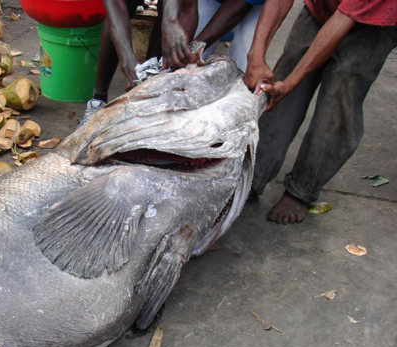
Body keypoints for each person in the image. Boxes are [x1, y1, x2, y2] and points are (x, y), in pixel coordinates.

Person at [245, 0, 397, 223]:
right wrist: (255, 55)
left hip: (375, 24)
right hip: (322, 7)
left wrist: (291, 83)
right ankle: (251, 175)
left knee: (339, 99)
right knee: (282, 79)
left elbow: (344, 18)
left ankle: (301, 188)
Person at [80, 0, 265, 125]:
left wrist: (193, 45)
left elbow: (188, 7)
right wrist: (127, 62)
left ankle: (228, 130)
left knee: (242, 58)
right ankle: (97, 100)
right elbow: (116, 4)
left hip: (247, 4)